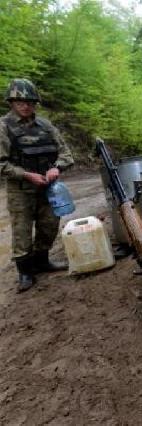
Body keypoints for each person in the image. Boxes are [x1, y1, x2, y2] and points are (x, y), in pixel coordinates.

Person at [0, 78, 74, 293]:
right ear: (11, 102)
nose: (26, 106)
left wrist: (57, 168)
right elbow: (1, 163)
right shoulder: (4, 127)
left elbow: (66, 153)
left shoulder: (46, 125)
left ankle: (42, 261)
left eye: (30, 102)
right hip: (21, 190)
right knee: (21, 231)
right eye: (20, 101)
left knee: (49, 225)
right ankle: (25, 273)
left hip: (48, 187)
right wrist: (26, 175)